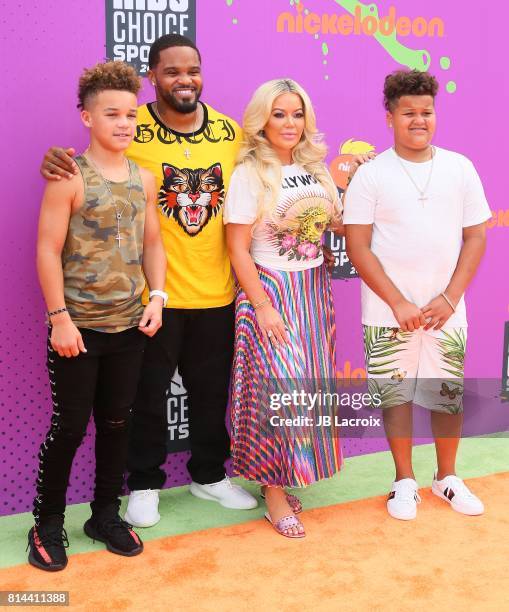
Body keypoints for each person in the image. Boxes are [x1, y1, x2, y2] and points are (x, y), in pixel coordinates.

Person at [40, 35, 257, 528]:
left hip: (216, 289)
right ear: (153, 77)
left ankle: (209, 474)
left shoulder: (229, 131)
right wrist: (56, 160)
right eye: (173, 71)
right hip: (148, 299)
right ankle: (142, 484)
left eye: (193, 70)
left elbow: (268, 169)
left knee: (209, 392)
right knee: (145, 397)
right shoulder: (130, 124)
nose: (185, 79)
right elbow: (90, 161)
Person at [28, 61, 167, 571]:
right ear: (86, 117)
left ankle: (105, 514)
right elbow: (47, 250)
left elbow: (153, 241)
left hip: (130, 325)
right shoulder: (68, 176)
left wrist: (158, 297)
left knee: (116, 423)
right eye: (112, 114)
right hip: (78, 328)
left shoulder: (143, 178)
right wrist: (59, 317)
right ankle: (46, 523)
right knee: (69, 427)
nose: (124, 123)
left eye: (131, 114)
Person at [343, 70, 490, 520]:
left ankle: (446, 477)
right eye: (408, 113)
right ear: (390, 117)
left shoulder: (460, 168)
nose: (419, 120)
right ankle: (403, 480)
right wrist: (398, 303)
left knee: (447, 395)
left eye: (426, 112)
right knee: (397, 397)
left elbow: (476, 237)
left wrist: (449, 297)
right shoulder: (371, 176)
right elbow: (357, 246)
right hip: (389, 313)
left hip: (446, 312)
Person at [224, 79, 343, 538]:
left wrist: (357, 178)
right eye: (279, 114)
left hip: (313, 290)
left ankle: (287, 477)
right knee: (279, 390)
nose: (289, 123)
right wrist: (263, 306)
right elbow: (237, 249)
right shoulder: (250, 173)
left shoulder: (316, 168)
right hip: (270, 290)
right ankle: (273, 495)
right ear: (262, 120)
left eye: (296, 114)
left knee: (306, 391)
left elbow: (332, 221)